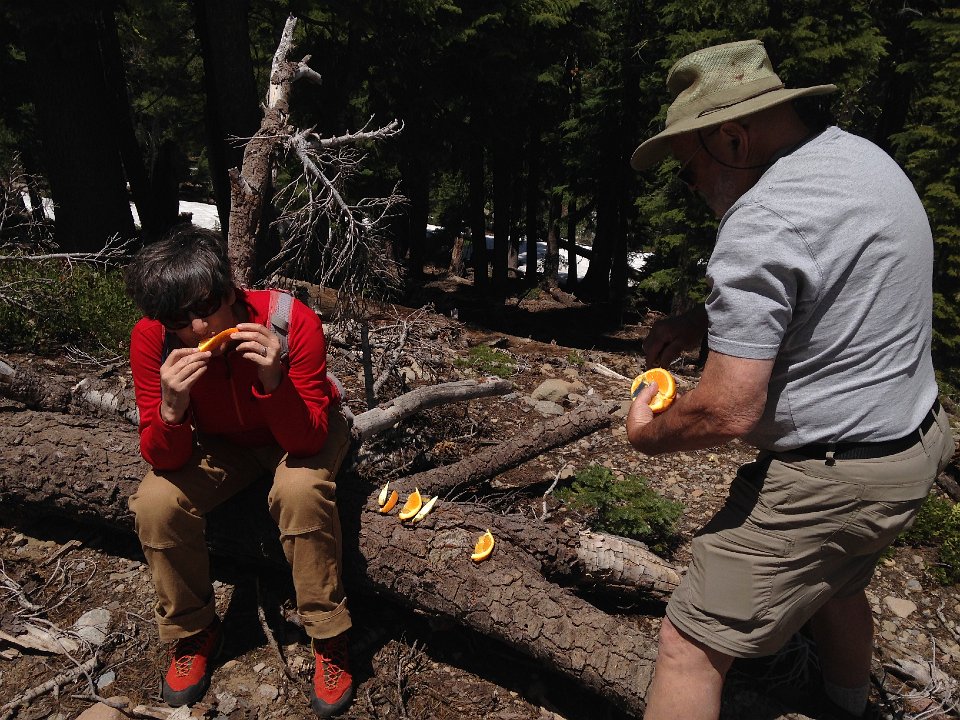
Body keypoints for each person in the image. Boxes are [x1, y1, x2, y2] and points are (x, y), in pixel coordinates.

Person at [626, 39, 955, 720]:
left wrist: (648, 432)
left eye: (688, 170)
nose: (693, 189)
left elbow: (726, 410)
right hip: (915, 443)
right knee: (837, 585)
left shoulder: (762, 219)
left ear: (733, 139)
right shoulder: (859, 159)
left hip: (834, 480)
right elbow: (832, 283)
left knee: (689, 646)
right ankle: (846, 707)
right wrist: (702, 321)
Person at [124, 225, 355, 717]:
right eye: (178, 318)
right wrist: (171, 408)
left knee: (300, 491)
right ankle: (193, 630)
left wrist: (273, 378)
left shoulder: (290, 320)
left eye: (206, 307)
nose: (197, 328)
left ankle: (327, 634)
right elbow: (163, 459)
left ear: (230, 290)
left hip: (301, 423)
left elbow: (308, 437)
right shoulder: (151, 340)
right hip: (222, 441)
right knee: (156, 504)